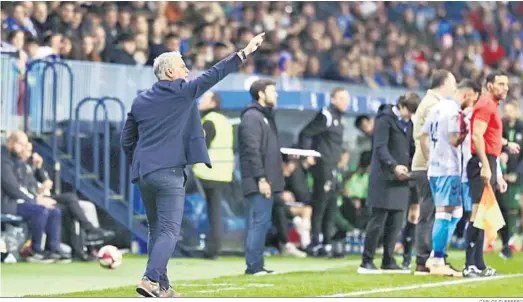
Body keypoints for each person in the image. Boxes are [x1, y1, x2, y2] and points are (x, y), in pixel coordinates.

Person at [121, 32, 266, 296]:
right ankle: (150, 280)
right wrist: (244, 52)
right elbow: (214, 73)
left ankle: (163, 287)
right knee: (168, 230)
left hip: (144, 173)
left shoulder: (140, 99)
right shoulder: (183, 92)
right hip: (169, 172)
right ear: (168, 72)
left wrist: (141, 161)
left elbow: (126, 139)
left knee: (157, 230)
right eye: (181, 66)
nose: (187, 69)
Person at [420, 79, 481, 276]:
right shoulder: (455, 113)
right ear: (468, 94)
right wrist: (467, 127)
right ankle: (437, 259)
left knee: (455, 213)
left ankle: (437, 256)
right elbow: (455, 140)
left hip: (435, 169)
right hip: (449, 168)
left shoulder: (436, 108)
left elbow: (423, 137)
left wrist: (431, 159)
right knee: (445, 213)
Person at [463, 71, 520, 278]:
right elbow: (477, 135)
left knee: (483, 216)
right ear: (489, 85)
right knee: (477, 214)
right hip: (481, 161)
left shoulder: (492, 105)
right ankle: (469, 265)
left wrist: (505, 144)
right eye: (500, 84)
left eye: (506, 84)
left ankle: (478, 264)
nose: (505, 87)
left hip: (488, 159)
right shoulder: (486, 105)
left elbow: (488, 135)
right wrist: (487, 166)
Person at [358, 92, 420, 274]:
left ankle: (388, 259)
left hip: (402, 179)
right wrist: (394, 166)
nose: (411, 116)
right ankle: (366, 261)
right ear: (401, 107)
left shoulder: (409, 123)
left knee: (396, 221)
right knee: (378, 220)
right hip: (384, 178)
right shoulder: (385, 120)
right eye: (409, 111)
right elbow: (380, 148)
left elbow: (410, 148)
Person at [411, 69, 457, 275]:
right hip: (427, 166)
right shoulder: (433, 104)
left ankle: (431, 258)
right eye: (453, 82)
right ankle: (425, 259)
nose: (455, 87)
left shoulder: (431, 102)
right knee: (430, 214)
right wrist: (432, 161)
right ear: (444, 83)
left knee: (432, 213)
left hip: (428, 165)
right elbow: (426, 137)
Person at [238, 79, 285, 275]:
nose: (276, 95)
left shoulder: (265, 116)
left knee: (262, 222)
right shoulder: (252, 117)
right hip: (258, 180)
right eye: (273, 91)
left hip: (266, 179)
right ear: (261, 94)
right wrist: (261, 178)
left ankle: (257, 264)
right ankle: (253, 266)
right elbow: (251, 150)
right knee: (258, 222)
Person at [1, 131, 69, 263]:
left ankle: (52, 249)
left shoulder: (19, 162)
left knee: (54, 210)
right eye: (21, 144)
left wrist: (37, 169)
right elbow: (12, 188)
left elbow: (27, 185)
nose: (24, 148)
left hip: (22, 202)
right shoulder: (3, 161)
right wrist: (36, 200)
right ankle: (34, 251)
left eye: (25, 145)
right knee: (40, 210)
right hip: (8, 204)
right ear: (10, 143)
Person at [297, 87, 350, 257]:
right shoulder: (326, 115)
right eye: (341, 98)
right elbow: (305, 133)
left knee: (332, 205)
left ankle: (327, 242)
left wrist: (343, 154)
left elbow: (333, 142)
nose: (345, 102)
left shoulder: (340, 119)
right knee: (320, 204)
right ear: (332, 99)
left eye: (346, 98)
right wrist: (307, 155)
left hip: (334, 167)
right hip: (323, 165)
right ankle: (315, 243)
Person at [193, 91, 234, 260]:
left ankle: (210, 247)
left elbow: (200, 146)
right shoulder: (225, 121)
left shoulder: (209, 122)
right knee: (215, 211)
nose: (200, 101)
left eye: (204, 99)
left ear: (212, 103)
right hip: (223, 173)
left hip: (207, 172)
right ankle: (214, 248)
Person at [496, 101, 523, 258]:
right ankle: (506, 242)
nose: (508, 114)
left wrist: (517, 174)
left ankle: (513, 238)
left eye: (511, 110)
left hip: (519, 174)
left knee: (518, 208)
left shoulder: (521, 127)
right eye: (506, 110)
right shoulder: (501, 127)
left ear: (517, 111)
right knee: (504, 208)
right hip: (502, 174)